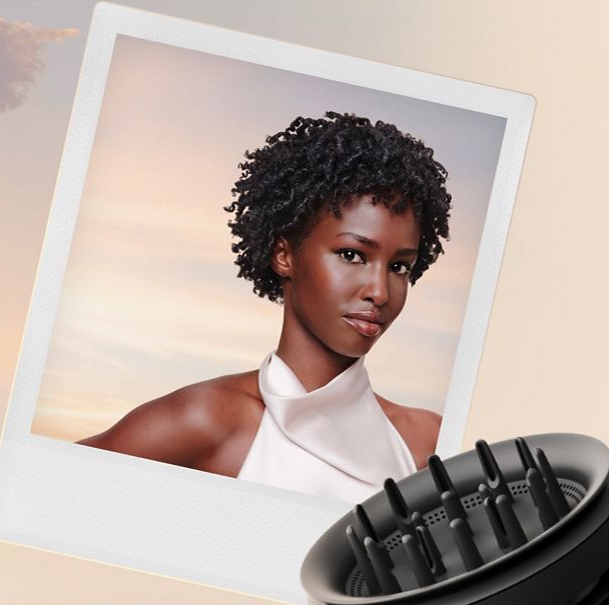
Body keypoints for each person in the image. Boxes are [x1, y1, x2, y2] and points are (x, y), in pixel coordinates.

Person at [79, 112, 451, 501]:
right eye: (352, 254)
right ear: (283, 255)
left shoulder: (426, 444)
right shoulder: (207, 420)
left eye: (398, 267)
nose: (380, 291)